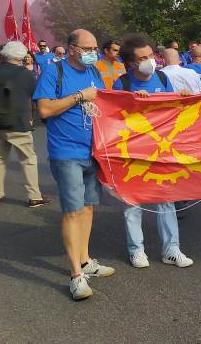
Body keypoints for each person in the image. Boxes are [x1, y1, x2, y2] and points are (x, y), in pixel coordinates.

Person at [33, 29, 115, 301]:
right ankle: (75, 275)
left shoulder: (94, 72)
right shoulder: (52, 72)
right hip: (65, 152)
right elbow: (44, 110)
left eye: (94, 48)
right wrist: (79, 96)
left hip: (92, 151)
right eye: (87, 48)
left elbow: (105, 101)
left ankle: (85, 260)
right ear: (71, 49)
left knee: (89, 207)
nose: (93, 52)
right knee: (72, 211)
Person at [112, 34, 194, 269]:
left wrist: (183, 98)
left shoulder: (161, 77)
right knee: (133, 203)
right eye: (143, 57)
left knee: (166, 201)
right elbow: (116, 120)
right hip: (133, 152)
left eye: (151, 55)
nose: (150, 60)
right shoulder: (122, 84)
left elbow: (171, 109)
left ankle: (172, 249)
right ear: (131, 63)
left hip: (161, 149)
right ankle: (136, 250)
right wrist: (134, 103)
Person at [0, 41, 52, 208]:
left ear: (5, 54)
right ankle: (34, 196)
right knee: (28, 159)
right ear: (21, 57)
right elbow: (36, 94)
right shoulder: (25, 74)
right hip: (18, 123)